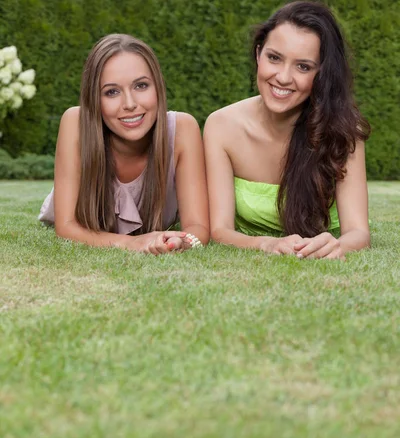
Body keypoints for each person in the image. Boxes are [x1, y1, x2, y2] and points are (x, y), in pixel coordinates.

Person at [204, 1, 370, 260]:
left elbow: (358, 232)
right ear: (259, 54)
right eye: (274, 58)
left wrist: (336, 246)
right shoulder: (220, 126)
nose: (283, 77)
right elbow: (220, 231)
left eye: (303, 66)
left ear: (321, 74)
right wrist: (265, 244)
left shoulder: (343, 128)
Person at [39, 34, 209, 254]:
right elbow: (66, 226)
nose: (130, 104)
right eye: (112, 92)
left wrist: (182, 242)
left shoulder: (182, 129)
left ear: (158, 87)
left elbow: (198, 226)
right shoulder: (76, 123)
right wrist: (132, 243)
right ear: (95, 99)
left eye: (141, 86)